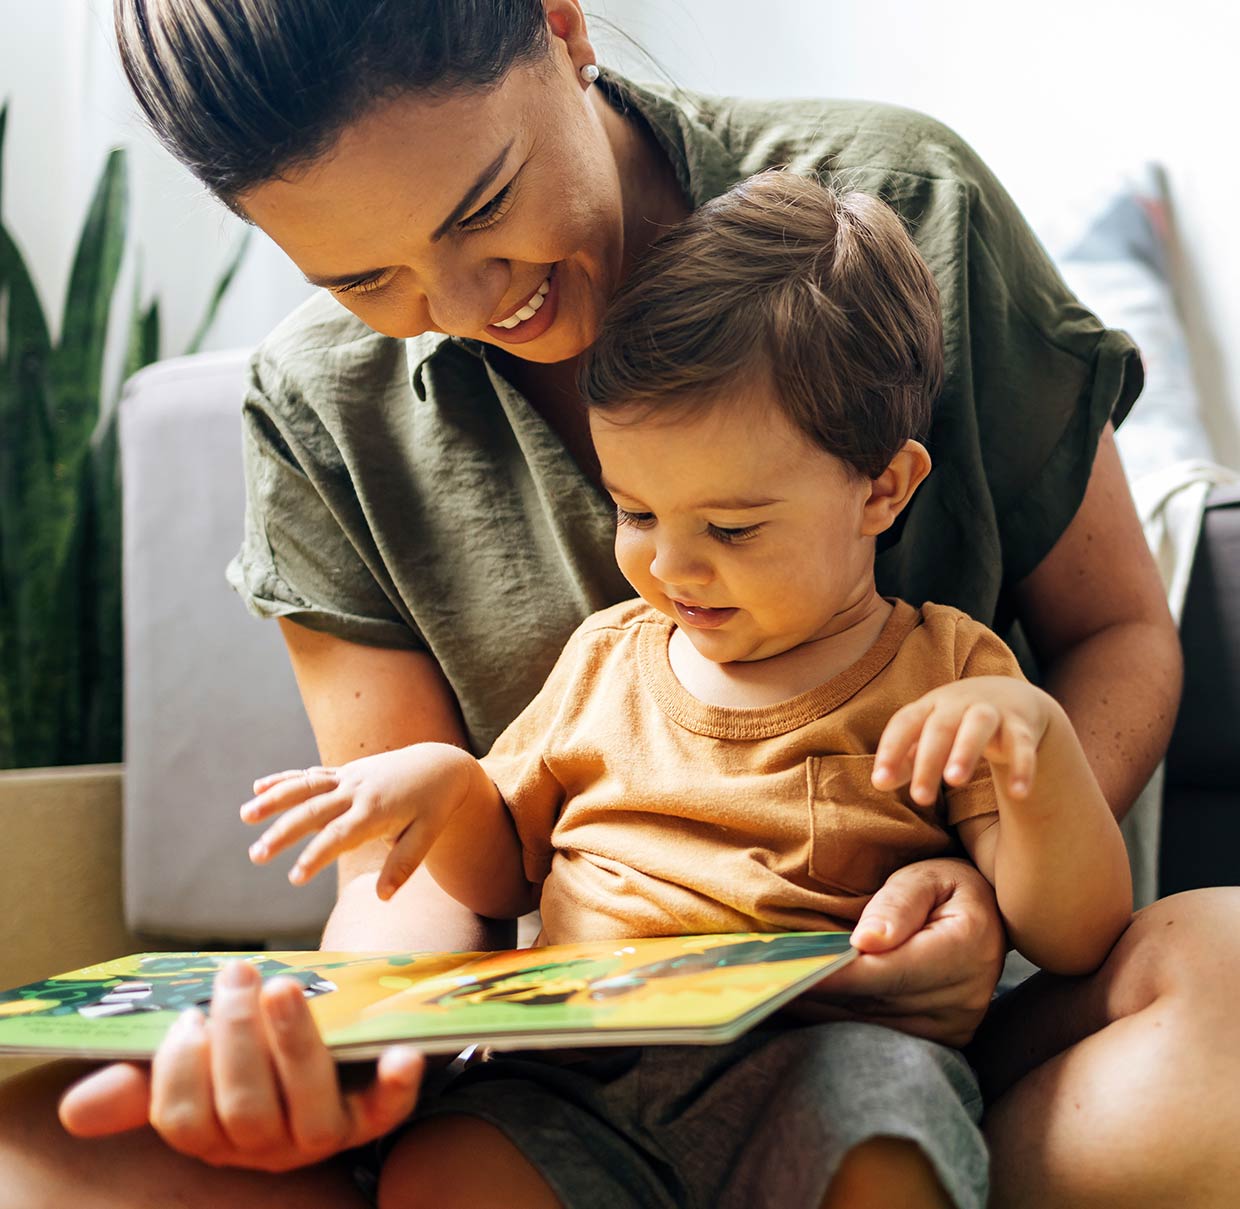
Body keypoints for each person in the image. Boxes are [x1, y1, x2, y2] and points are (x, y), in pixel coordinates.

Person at [0, 1, 1234, 1207]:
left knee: (1223, 974)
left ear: (563, 25)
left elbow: (1115, 631)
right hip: (575, 1071)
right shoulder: (318, 405)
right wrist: (354, 1053)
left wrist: (994, 869)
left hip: (917, 1028)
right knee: (39, 1155)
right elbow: (416, 869)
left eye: (484, 206)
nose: (474, 309)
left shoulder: (901, 203)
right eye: (365, 277)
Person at [238, 170, 1135, 1209]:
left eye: (733, 528)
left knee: (888, 1142)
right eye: (637, 513)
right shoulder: (606, 658)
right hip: (580, 1074)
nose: (673, 568)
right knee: (447, 1165)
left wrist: (1037, 754)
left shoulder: (946, 674)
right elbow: (503, 880)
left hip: (825, 1061)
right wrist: (441, 791)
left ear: (881, 489)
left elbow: (1074, 931)